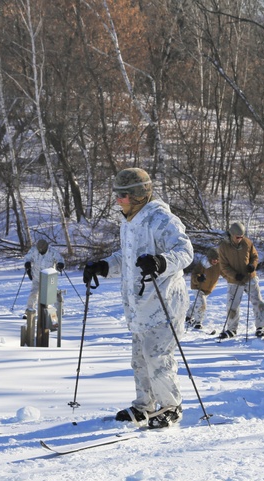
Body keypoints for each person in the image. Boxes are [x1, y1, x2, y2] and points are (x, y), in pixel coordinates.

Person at [82, 167, 193, 429]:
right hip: (139, 305)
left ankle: (171, 408)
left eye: (122, 196)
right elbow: (129, 259)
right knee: (140, 359)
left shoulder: (160, 219)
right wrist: (104, 266)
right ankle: (144, 406)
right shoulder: (130, 221)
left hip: (164, 303)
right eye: (117, 195)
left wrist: (160, 261)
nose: (117, 201)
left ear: (138, 195)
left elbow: (185, 251)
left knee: (157, 357)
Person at [217, 221, 264, 339]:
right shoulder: (223, 247)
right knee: (232, 306)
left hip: (250, 277)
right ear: (231, 234)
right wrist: (234, 275)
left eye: (242, 236)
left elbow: (254, 256)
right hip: (234, 280)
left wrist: (252, 265)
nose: (240, 238)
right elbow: (223, 266)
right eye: (238, 237)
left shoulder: (247, 242)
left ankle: (260, 327)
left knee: (259, 303)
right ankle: (231, 329)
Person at [22, 238, 64, 311]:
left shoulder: (52, 251)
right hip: (37, 276)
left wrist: (60, 264)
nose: (41, 251)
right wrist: (27, 263)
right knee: (34, 293)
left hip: (49, 277)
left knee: (54, 293)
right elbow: (27, 257)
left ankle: (59, 309)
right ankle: (30, 310)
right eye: (39, 250)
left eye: (43, 250)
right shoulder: (33, 250)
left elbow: (60, 259)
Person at [186, 247, 220, 330]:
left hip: (208, 289)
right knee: (202, 304)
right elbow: (194, 274)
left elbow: (226, 273)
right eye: (213, 259)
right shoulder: (203, 264)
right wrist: (198, 278)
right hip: (197, 286)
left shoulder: (220, 265)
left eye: (217, 259)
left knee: (197, 303)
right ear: (209, 258)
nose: (215, 261)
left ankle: (188, 316)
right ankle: (198, 322)